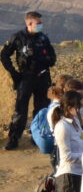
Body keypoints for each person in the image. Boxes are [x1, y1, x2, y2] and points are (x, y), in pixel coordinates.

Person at [3, 11, 57, 150]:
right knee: (20, 110)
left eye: (41, 23)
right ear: (29, 24)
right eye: (38, 23)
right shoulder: (18, 38)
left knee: (41, 109)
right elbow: (4, 56)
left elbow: (52, 57)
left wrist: (46, 60)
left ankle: (37, 136)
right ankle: (14, 138)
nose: (41, 25)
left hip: (43, 78)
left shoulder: (43, 38)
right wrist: (14, 73)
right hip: (26, 78)